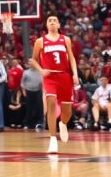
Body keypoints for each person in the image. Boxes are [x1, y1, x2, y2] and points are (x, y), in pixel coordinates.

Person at [31, 14, 79, 153]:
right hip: (50, 77)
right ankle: (52, 139)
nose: (52, 22)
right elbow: (33, 60)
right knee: (51, 103)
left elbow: (71, 58)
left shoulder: (66, 39)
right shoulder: (40, 41)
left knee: (67, 111)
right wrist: (41, 70)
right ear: (47, 25)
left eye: (55, 20)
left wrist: (75, 74)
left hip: (65, 76)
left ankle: (63, 124)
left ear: (58, 25)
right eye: (50, 20)